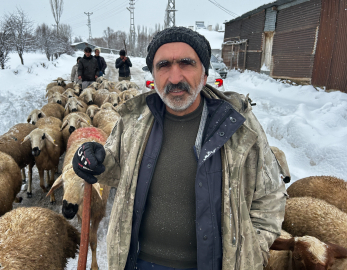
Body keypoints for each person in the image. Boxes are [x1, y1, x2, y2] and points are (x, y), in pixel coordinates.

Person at [73, 27, 287, 270]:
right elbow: (116, 171)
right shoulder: (134, 121)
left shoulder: (238, 126)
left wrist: (253, 250)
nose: (175, 78)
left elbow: (270, 196)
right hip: (138, 262)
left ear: (204, 74)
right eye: (163, 65)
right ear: (153, 76)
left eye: (186, 63)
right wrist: (95, 160)